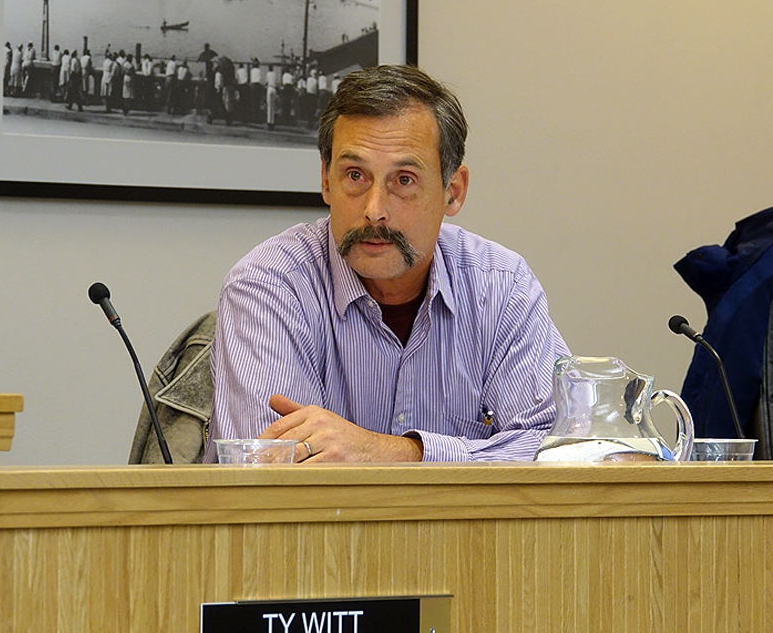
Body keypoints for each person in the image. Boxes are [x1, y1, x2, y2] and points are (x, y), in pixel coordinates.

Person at [205, 64, 568, 464]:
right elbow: (268, 468)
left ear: (453, 191)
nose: (374, 210)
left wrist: (396, 452)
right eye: (355, 175)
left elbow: (566, 449)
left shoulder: (501, 286)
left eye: (404, 180)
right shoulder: (269, 284)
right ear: (326, 181)